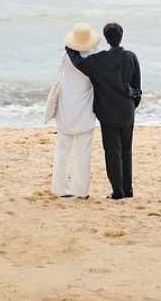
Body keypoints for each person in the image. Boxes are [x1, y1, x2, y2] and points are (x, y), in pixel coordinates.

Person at [66, 22, 141, 200]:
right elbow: (137, 87)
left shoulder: (99, 60)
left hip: (107, 112)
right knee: (126, 150)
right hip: (127, 111)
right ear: (121, 36)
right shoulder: (131, 57)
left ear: (105, 38)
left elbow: (79, 63)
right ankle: (128, 189)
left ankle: (117, 191)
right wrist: (132, 105)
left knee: (112, 151)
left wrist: (71, 47)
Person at [51, 23, 100, 199]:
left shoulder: (65, 56)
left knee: (62, 150)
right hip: (84, 110)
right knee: (82, 153)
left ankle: (59, 188)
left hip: (66, 109)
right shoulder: (94, 60)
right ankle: (80, 191)